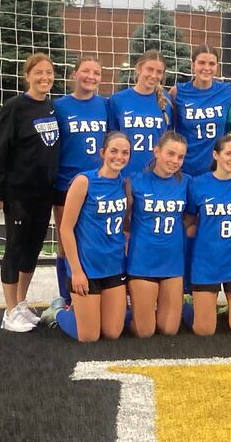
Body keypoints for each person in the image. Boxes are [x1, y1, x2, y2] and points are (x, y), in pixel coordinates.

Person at [0, 53, 60, 332]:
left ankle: (21, 303)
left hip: (44, 193)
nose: (44, 78)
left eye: (49, 73)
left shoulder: (52, 108)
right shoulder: (15, 107)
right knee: (15, 250)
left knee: (33, 250)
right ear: (27, 76)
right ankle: (8, 312)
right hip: (19, 192)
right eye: (38, 73)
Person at [56, 131, 131, 342]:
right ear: (102, 153)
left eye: (125, 153)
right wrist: (77, 271)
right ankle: (60, 311)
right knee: (89, 337)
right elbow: (65, 229)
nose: (119, 157)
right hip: (87, 268)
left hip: (114, 266)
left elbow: (125, 226)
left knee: (113, 333)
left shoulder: (124, 184)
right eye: (114, 151)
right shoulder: (84, 181)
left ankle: (88, 312)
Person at [50, 56, 109, 309]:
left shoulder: (106, 105)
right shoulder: (59, 106)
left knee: (96, 239)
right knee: (66, 241)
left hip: (100, 185)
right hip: (66, 184)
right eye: (86, 71)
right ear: (74, 74)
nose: (91, 76)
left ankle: (102, 291)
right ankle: (66, 298)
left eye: (96, 72)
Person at [184, 135, 231, 336]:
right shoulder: (198, 184)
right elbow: (188, 221)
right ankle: (186, 311)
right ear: (216, 155)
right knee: (204, 331)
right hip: (206, 262)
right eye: (228, 153)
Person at [125, 131, 190, 337]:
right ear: (156, 151)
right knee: (145, 331)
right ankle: (123, 313)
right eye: (170, 154)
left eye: (180, 157)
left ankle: (185, 309)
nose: (175, 161)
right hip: (142, 260)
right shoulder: (135, 181)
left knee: (169, 330)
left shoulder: (187, 182)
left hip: (172, 262)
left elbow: (191, 217)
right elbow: (124, 221)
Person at [171, 43, 231, 177]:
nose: (206, 68)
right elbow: (170, 130)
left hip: (217, 169)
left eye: (212, 64)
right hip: (186, 168)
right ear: (193, 64)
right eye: (201, 63)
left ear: (217, 66)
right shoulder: (178, 92)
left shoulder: (227, 92)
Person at [108, 50, 172, 175]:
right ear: (138, 68)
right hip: (123, 174)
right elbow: (110, 139)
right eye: (149, 69)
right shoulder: (118, 100)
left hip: (155, 175)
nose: (154, 75)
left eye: (159, 72)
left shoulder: (166, 101)